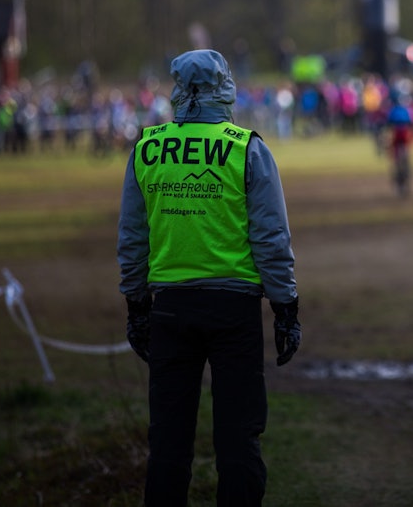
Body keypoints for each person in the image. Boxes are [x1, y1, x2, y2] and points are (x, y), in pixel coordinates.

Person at [118, 49, 300, 506]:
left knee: (168, 444)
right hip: (233, 312)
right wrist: (285, 307)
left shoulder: (147, 147)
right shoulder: (247, 148)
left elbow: (133, 238)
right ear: (225, 85)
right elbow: (271, 238)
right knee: (239, 441)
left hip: (170, 310)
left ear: (178, 88)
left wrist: (136, 305)